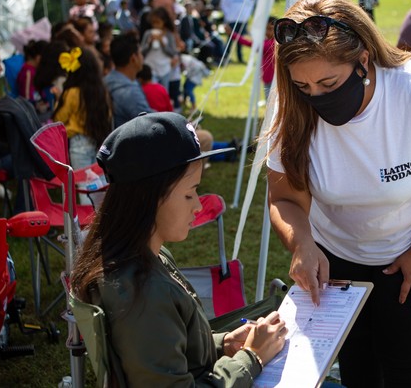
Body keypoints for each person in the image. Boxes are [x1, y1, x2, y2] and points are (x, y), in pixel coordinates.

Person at [266, 0, 411, 388]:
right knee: (357, 363)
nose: (316, 96)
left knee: (407, 363)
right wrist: (302, 245)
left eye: (328, 82)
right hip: (338, 254)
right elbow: (284, 198)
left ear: (363, 60)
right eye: (304, 86)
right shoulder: (291, 105)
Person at [70, 112, 287, 386]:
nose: (197, 205)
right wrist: (251, 358)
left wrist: (223, 343)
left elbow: (172, 347)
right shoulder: (142, 294)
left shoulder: (147, 257)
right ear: (149, 198)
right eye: (189, 193)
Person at [53, 47, 112, 170]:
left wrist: (59, 99)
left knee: (84, 184)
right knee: (100, 184)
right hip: (101, 141)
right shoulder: (102, 91)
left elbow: (59, 119)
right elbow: (109, 116)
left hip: (79, 143)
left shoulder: (72, 93)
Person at [104, 32, 151, 128]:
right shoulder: (129, 92)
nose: (142, 58)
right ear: (133, 58)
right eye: (140, 53)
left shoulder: (106, 81)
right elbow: (150, 123)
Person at [224, 16, 276, 101]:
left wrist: (232, 34)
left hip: (274, 80)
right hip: (269, 79)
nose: (267, 32)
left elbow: (249, 43)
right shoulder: (268, 43)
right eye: (265, 29)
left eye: (270, 29)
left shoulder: (271, 44)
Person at [141, 7, 179, 90]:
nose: (155, 25)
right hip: (150, 68)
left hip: (165, 69)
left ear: (164, 21)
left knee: (163, 92)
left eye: (158, 22)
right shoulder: (148, 34)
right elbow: (142, 52)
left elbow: (173, 52)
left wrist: (162, 43)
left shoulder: (169, 35)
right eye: (153, 23)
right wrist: (149, 44)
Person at [220, 0, 254, 64]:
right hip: (232, 21)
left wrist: (246, 17)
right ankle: (226, 57)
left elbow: (249, 6)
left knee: (240, 40)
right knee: (230, 40)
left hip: (242, 21)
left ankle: (240, 58)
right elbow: (224, 6)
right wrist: (229, 16)